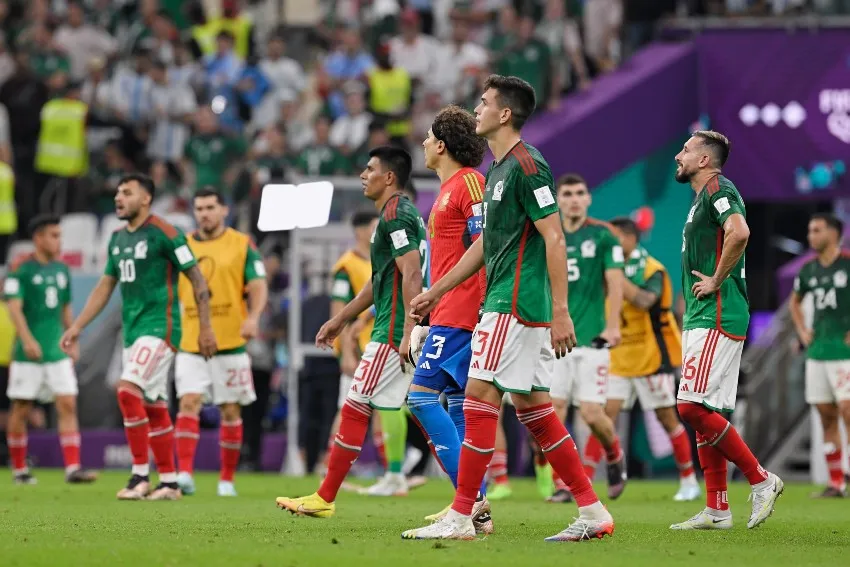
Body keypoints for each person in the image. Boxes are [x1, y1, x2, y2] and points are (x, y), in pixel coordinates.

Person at [402, 75, 613, 542]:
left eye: (483, 103)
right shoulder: (497, 171)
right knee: (535, 409)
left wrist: (561, 311)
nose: (475, 109)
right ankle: (594, 511)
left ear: (504, 114)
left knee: (477, 396)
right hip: (510, 302)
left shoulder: (527, 164)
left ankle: (464, 514)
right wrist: (436, 291)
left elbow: (554, 236)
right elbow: (483, 248)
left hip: (513, 303)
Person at [275, 146, 425, 517]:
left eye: (370, 168)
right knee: (427, 410)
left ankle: (325, 497)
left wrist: (408, 328)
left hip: (391, 332)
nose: (363, 174)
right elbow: (380, 280)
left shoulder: (395, 214)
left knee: (356, 404)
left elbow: (412, 272)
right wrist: (341, 319)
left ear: (389, 177)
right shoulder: (396, 215)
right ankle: (471, 498)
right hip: (393, 328)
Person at [60, 174, 217, 501]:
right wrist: (76, 327)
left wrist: (204, 328)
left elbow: (198, 280)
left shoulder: (166, 233)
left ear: (145, 199)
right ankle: (170, 483)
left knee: (127, 390)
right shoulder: (117, 239)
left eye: (127, 192)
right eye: (117, 191)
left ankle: (139, 476)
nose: (119, 197)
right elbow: (105, 287)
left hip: (161, 327)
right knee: (153, 404)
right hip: (133, 332)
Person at [670, 130, 782, 530]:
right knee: (706, 411)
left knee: (690, 407)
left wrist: (716, 279)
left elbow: (740, 231)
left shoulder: (719, 187)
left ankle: (761, 479)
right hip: (705, 314)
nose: (678, 156)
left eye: (686, 150)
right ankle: (717, 509)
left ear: (704, 160)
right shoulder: (703, 197)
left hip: (717, 312)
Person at [406, 104, 492, 531]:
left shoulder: (471, 183)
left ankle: (469, 502)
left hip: (463, 312)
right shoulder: (445, 191)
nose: (422, 143)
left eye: (427, 136)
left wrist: (470, 304)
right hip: (446, 311)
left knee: (420, 398)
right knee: (459, 409)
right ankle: (476, 506)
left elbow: (486, 244)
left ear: (441, 144)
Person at [593, 216, 699, 502]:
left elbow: (644, 301)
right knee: (601, 416)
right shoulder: (605, 267)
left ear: (629, 238)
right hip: (619, 354)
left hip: (653, 355)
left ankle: (689, 479)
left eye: (615, 237)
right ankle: (585, 479)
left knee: (666, 418)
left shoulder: (653, 270)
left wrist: (615, 277)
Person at [173, 188, 268, 497]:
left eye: (210, 207)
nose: (204, 213)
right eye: (199, 208)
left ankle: (226, 479)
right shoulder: (182, 245)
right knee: (188, 402)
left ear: (224, 210)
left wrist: (253, 317)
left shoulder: (241, 244)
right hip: (190, 341)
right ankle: (184, 474)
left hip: (231, 341)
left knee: (230, 411)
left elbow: (258, 284)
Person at [547, 173, 625, 502]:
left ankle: (614, 453)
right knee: (554, 409)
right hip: (556, 340)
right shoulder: (548, 234)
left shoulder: (604, 236)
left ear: (589, 198)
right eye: (567, 194)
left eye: (580, 192)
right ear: (558, 200)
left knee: (593, 414)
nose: (574, 199)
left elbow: (616, 281)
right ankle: (564, 482)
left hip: (592, 339)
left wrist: (613, 326)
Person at [3, 215, 97, 485]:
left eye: (60, 235)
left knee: (67, 403)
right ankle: (20, 469)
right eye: (54, 236)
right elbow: (14, 307)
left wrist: (72, 335)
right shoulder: (21, 269)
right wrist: (27, 339)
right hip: (27, 353)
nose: (59, 241)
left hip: (56, 350)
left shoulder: (62, 270)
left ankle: (72, 468)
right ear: (38, 238)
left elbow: (65, 308)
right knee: (20, 408)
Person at [789, 213, 850, 498]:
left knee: (848, 412)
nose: (811, 236)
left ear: (834, 233)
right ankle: (836, 482)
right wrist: (802, 330)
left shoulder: (847, 265)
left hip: (844, 353)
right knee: (826, 417)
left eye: (817, 230)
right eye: (809, 230)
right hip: (818, 352)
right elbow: (795, 302)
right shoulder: (808, 270)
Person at [320, 210, 378, 473]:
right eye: (375, 227)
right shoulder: (346, 266)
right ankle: (330, 462)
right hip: (357, 346)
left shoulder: (377, 259)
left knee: (382, 408)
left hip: (378, 342)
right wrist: (346, 353)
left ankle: (392, 468)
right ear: (361, 230)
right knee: (348, 405)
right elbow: (338, 309)